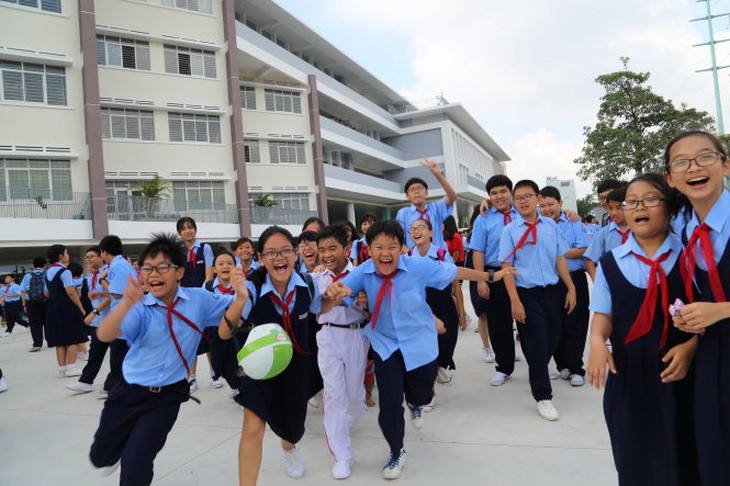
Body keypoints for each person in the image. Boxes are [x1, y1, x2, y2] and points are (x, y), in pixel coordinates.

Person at [326, 221, 515, 479]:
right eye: (378, 247)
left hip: (420, 341)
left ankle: (416, 403)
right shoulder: (363, 272)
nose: (385, 253)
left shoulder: (417, 266)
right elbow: (343, 292)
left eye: (392, 247)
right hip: (386, 344)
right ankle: (396, 450)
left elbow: (454, 271)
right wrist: (337, 293)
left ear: (402, 248)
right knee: (390, 402)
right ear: (368, 249)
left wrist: (491, 276)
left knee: (421, 393)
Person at [89, 233, 245, 486]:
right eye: (147, 268)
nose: (153, 274)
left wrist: (242, 295)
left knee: (138, 458)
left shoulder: (199, 300)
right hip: (128, 392)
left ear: (180, 272)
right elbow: (105, 334)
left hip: (167, 395)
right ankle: (115, 449)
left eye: (162, 267)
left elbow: (236, 308)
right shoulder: (139, 307)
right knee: (100, 458)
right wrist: (127, 302)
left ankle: (131, 451)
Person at [587, 173, 699, 485]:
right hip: (630, 377)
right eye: (631, 202)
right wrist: (597, 342)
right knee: (634, 460)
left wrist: (692, 346)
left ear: (670, 207)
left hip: (681, 375)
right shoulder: (611, 263)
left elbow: (707, 313)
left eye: (650, 199)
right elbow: (603, 317)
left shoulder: (691, 256)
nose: (640, 207)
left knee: (684, 460)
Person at [219, 226, 341, 485]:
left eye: (285, 250)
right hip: (259, 368)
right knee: (252, 428)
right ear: (261, 258)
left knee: (293, 428)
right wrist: (239, 298)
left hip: (296, 368)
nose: (279, 258)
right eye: (271, 253)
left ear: (295, 254)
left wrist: (336, 298)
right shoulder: (251, 288)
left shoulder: (306, 284)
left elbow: (319, 307)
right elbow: (223, 333)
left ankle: (289, 448)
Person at [666, 130, 730, 486]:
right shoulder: (684, 228)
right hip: (711, 359)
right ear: (671, 177)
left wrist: (722, 310)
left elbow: (715, 306)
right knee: (714, 454)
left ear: (724, 164)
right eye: (681, 162)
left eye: (705, 157)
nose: (694, 167)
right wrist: (691, 336)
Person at [499, 180, 576, 421]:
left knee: (554, 334)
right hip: (527, 293)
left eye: (527, 196)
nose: (523, 201)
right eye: (518, 197)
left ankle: (537, 368)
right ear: (514, 201)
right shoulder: (510, 231)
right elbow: (507, 266)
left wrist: (571, 288)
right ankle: (543, 395)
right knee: (536, 342)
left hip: (552, 291)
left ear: (537, 198)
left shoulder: (551, 225)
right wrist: (514, 300)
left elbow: (560, 259)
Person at [313, 225, 369, 480]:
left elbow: (371, 312)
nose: (326, 254)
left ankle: (352, 416)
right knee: (334, 395)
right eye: (321, 249)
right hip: (328, 336)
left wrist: (363, 303)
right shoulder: (316, 278)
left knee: (355, 397)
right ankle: (343, 455)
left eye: (332, 248)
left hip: (356, 335)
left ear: (346, 249)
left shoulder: (361, 274)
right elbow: (313, 307)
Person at [469, 175, 520, 382]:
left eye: (503, 191)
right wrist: (481, 279)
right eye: (493, 193)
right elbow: (478, 251)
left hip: (521, 272)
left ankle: (540, 363)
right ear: (489, 196)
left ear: (511, 192)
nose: (499, 196)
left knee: (530, 320)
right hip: (495, 273)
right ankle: (504, 368)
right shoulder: (483, 218)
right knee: (499, 324)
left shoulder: (524, 213)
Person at [539, 186, 590, 386]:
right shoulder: (536, 223)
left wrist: (558, 253)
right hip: (550, 280)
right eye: (542, 206)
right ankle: (563, 365)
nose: (546, 209)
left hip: (574, 277)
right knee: (554, 323)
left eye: (551, 204)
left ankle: (577, 368)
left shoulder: (573, 221)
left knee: (575, 322)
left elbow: (584, 248)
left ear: (560, 203)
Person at [409, 219, 460, 386]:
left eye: (420, 227)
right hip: (421, 302)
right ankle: (429, 377)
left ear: (431, 233)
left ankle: (441, 365)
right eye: (412, 229)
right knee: (426, 341)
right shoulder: (408, 257)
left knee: (448, 337)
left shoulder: (441, 253)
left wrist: (461, 309)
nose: (416, 231)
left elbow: (455, 279)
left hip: (443, 300)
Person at [66, 246, 113, 395]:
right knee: (95, 353)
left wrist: (94, 312)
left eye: (92, 256)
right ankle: (85, 382)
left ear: (102, 257)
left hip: (111, 320)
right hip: (99, 322)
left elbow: (112, 295)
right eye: (87, 257)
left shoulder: (108, 272)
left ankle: (112, 385)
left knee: (118, 355)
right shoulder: (91, 275)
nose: (88, 259)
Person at [176, 217, 215, 392]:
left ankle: (215, 372)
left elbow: (209, 275)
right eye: (183, 228)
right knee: (189, 339)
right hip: (186, 300)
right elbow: (176, 277)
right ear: (179, 233)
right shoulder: (177, 251)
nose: (187, 231)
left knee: (209, 337)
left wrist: (201, 293)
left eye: (190, 227)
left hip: (203, 298)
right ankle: (191, 377)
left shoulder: (205, 249)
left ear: (195, 229)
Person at [97, 235, 138, 396]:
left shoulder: (118, 266)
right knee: (121, 353)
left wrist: (103, 282)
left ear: (105, 252)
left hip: (123, 316)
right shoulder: (122, 265)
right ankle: (118, 384)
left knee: (118, 354)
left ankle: (113, 386)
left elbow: (115, 293)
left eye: (101, 253)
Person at [44, 244, 88, 377]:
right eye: (66, 253)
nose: (68, 256)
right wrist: (80, 307)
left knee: (60, 340)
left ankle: (62, 369)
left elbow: (46, 293)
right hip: (67, 308)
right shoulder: (65, 272)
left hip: (52, 308)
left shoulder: (48, 272)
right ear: (60, 256)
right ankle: (72, 367)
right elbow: (71, 292)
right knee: (73, 338)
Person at [396, 158, 457, 249]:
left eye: (419, 188)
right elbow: (398, 239)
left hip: (438, 257)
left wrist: (438, 175)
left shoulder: (435, 208)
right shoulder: (403, 213)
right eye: (412, 189)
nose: (416, 191)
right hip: (415, 259)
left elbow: (452, 197)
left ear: (426, 192)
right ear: (407, 196)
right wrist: (410, 255)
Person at [202, 250, 241, 395]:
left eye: (230, 263)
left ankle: (239, 387)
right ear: (214, 269)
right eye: (221, 263)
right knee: (219, 362)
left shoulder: (241, 284)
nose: (225, 266)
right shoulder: (207, 287)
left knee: (236, 361)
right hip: (215, 331)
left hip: (237, 330)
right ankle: (231, 383)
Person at [585, 185, 630, 280]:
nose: (613, 212)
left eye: (619, 208)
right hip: (614, 282)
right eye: (610, 208)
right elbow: (590, 260)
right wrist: (598, 282)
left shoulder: (639, 231)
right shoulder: (603, 234)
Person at [443, 215, 468, 331]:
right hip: (448, 266)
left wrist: (448, 266)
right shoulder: (445, 238)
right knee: (452, 294)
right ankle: (461, 313)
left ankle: (461, 315)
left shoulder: (456, 237)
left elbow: (456, 254)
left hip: (456, 265)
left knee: (455, 292)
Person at [20, 257, 48, 351]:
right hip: (46, 301)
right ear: (44, 265)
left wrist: (24, 304)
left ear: (34, 266)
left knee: (34, 323)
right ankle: (51, 341)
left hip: (31, 302)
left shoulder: (27, 275)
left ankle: (37, 344)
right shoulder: (47, 274)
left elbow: (23, 291)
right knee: (48, 321)